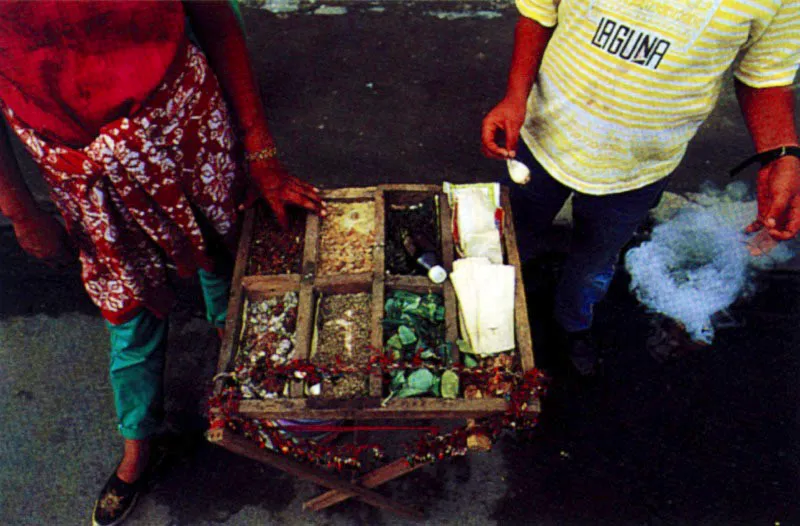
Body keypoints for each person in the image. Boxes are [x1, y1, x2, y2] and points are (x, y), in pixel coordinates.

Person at [0, 1, 324, 524]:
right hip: (77, 161)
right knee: (126, 302)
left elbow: (219, 22)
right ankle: (138, 445)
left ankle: (246, 386)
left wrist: (261, 153)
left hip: (185, 123)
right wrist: (18, 209)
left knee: (228, 262)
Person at [481, 0, 800, 376]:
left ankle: (572, 325)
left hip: (640, 168)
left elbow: (765, 76)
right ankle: (491, 318)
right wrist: (515, 97)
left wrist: (781, 155)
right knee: (507, 240)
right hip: (538, 138)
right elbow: (539, 12)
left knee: (595, 260)